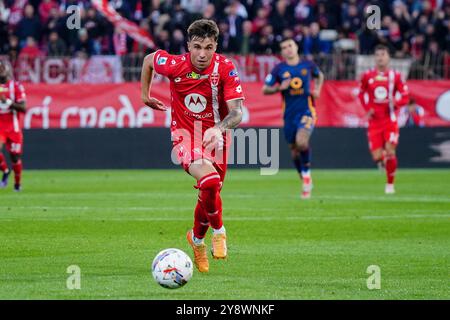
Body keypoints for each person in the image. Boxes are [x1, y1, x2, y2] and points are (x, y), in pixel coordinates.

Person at [140, 19, 244, 273]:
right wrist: (145, 95)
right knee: (209, 181)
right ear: (188, 45)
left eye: (208, 47)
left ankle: (196, 240)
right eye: (197, 46)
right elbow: (149, 60)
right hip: (184, 135)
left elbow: (237, 113)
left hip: (215, 138)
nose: (202, 54)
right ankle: (219, 232)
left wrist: (218, 129)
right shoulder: (175, 64)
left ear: (216, 46)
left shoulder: (226, 68)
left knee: (211, 192)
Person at [262, 38, 324, 199]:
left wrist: (317, 89)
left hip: (307, 111)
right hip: (289, 115)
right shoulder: (279, 69)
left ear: (296, 47)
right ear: (282, 52)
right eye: (284, 47)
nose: (288, 49)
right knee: (295, 150)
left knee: (302, 141)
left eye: (290, 45)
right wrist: (278, 88)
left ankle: (307, 175)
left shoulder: (308, 65)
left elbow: (320, 76)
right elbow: (265, 89)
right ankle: (304, 178)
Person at [358, 44, 409, 194]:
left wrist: (396, 103)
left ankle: (390, 185)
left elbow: (405, 96)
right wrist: (368, 109)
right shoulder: (368, 76)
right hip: (374, 121)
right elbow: (361, 94)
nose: (380, 58)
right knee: (377, 156)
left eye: (383, 55)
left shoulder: (396, 76)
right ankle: (382, 161)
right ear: (375, 58)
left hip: (389, 119)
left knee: (390, 150)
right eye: (378, 55)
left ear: (388, 57)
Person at [0, 60, 27, 191]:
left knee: (15, 157)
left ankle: (17, 183)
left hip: (13, 127)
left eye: (2, 68)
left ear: (7, 69)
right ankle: (5, 171)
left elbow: (23, 107)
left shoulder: (16, 86)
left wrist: (9, 102)